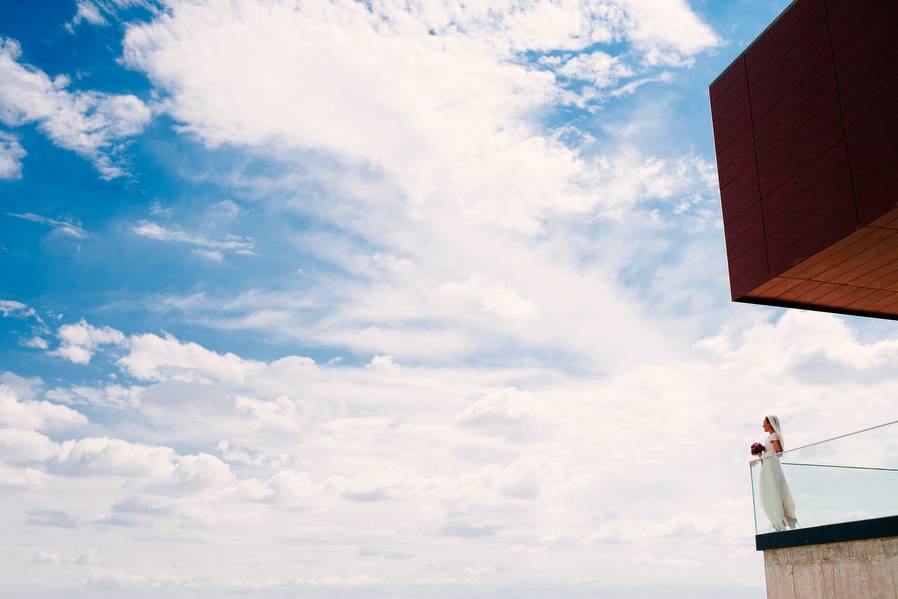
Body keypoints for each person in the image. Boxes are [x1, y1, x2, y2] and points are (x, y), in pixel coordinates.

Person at [757, 415, 798, 531]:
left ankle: (783, 522)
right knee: (772, 491)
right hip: (768, 467)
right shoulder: (770, 437)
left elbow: (778, 452)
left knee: (775, 491)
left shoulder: (774, 436)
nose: (763, 425)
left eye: (764, 423)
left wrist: (763, 455)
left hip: (772, 468)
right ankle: (780, 521)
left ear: (770, 424)